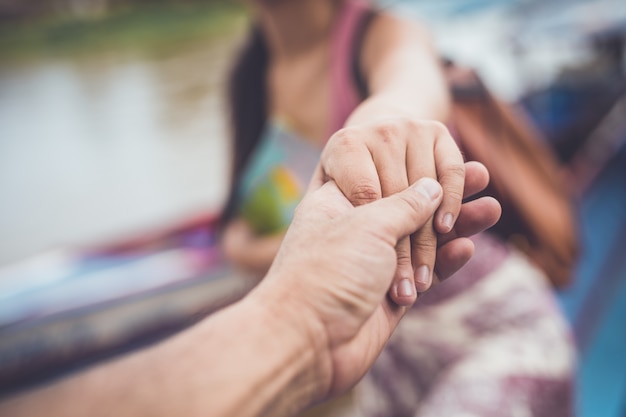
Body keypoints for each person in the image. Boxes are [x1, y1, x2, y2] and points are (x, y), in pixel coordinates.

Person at [219, 0, 578, 415]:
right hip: (383, 356)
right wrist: (314, 243)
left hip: (492, 328)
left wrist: (384, 125)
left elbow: (411, 85)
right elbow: (240, 229)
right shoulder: (247, 79)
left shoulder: (383, 33)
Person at [0, 168, 501, 417]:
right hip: (376, 342)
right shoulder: (252, 74)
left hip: (474, 321)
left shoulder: (375, 39)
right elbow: (240, 224)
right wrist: (296, 323)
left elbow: (404, 96)